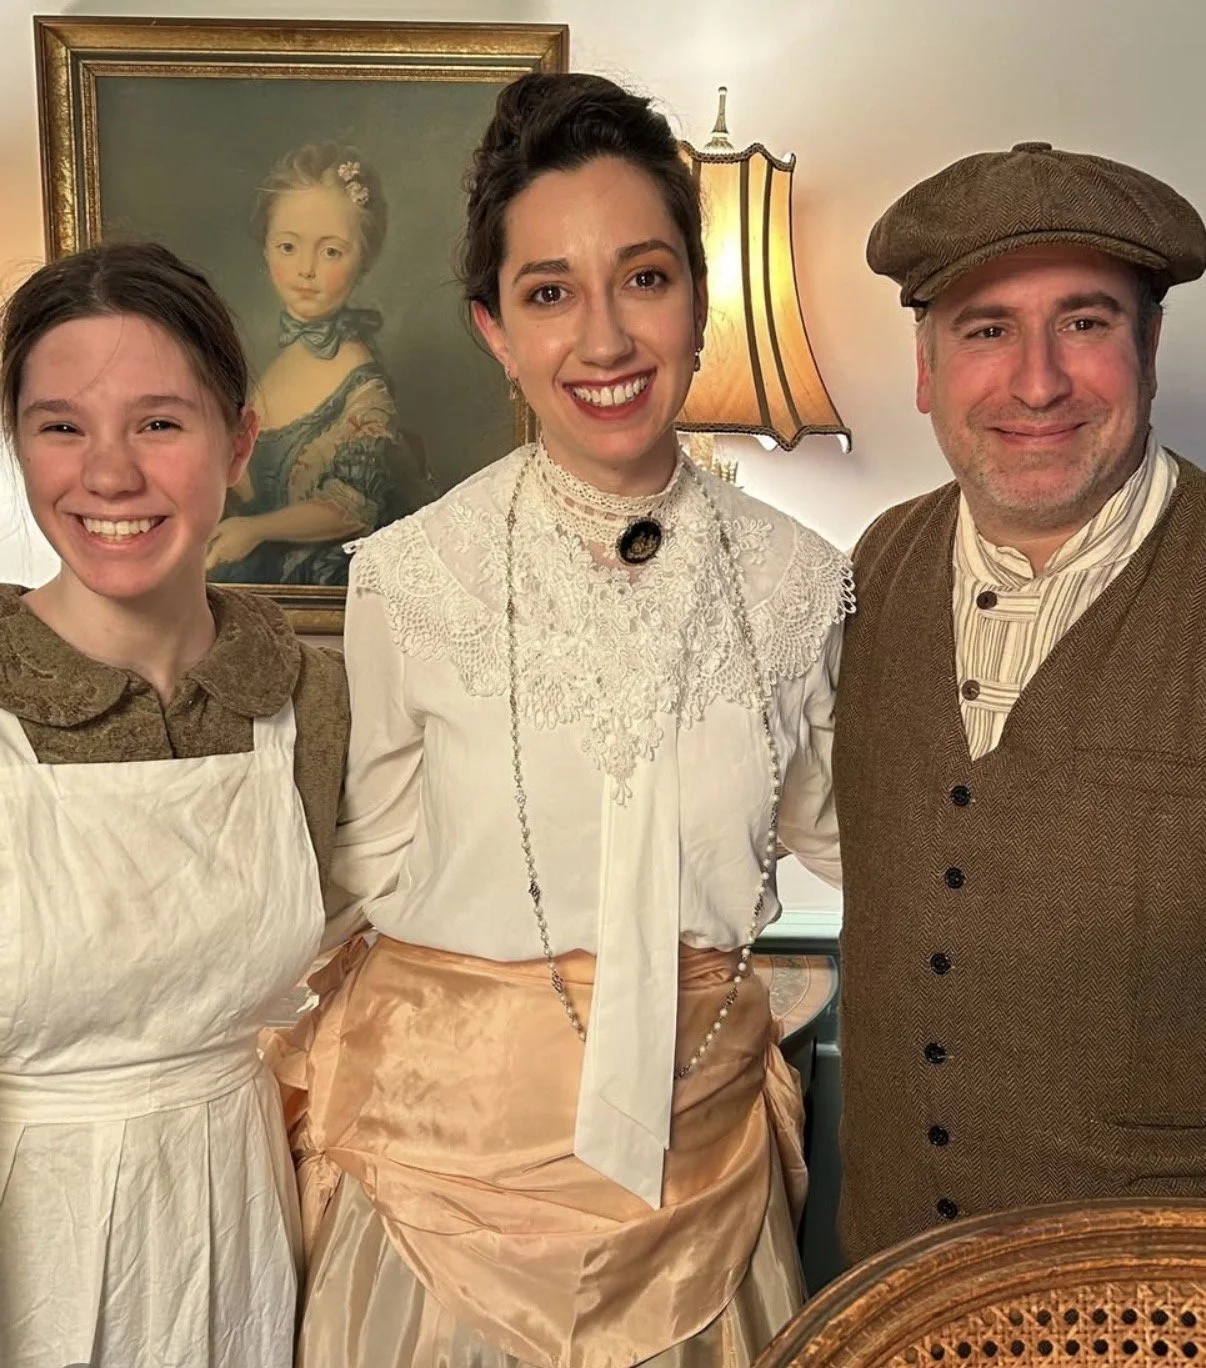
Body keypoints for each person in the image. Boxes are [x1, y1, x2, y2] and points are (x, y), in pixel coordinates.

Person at [281, 72, 853, 1368]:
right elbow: (352, 874)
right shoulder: (408, 576)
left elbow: (840, 833)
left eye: (642, 277)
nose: (603, 338)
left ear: (696, 302)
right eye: (549, 292)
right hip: (439, 1199)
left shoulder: (804, 582)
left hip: (697, 1191)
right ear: (493, 326)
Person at [834, 140, 1206, 1264]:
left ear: (1148, 349)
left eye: (1085, 323)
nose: (1036, 381)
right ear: (925, 367)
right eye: (987, 328)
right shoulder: (874, 566)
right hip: (894, 1292)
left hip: (1152, 1308)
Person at [0, 241, 349, 1367]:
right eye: (61, 426)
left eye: (158, 422)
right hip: (26, 1251)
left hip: (241, 1242)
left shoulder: (316, 703)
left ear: (239, 441)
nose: (107, 476)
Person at [207, 142, 433, 586]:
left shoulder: (363, 384)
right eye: (288, 246)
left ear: (362, 261)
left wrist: (255, 529)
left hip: (326, 590)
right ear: (266, 248)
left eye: (331, 252)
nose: (305, 269)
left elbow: (352, 507)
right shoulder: (284, 359)